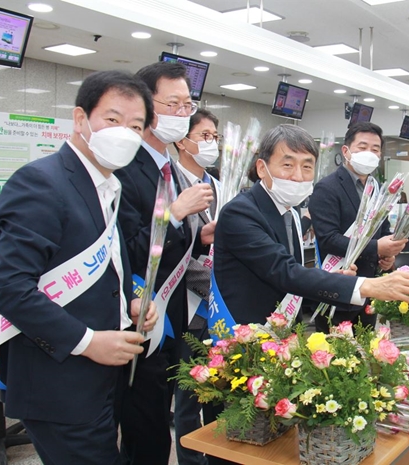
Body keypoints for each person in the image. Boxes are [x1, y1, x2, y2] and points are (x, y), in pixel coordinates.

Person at [0, 70, 158, 465]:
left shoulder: (107, 186)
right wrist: (88, 341)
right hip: (59, 382)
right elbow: (11, 288)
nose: (124, 134)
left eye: (136, 126)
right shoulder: (42, 182)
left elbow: (102, 267)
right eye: (112, 120)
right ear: (81, 120)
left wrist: (129, 303)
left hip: (101, 380)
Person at [213, 124, 409, 326]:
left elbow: (294, 275)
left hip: (283, 330)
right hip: (242, 331)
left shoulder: (291, 211)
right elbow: (283, 271)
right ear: (262, 168)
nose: (298, 176)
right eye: (287, 165)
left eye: (307, 167)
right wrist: (368, 285)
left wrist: (335, 280)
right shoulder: (240, 212)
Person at [114, 61, 214, 465]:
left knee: (161, 422)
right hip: (139, 314)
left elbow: (174, 249)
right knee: (145, 430)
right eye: (172, 103)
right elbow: (126, 250)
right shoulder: (124, 167)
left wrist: (200, 238)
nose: (182, 113)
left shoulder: (171, 166)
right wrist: (173, 215)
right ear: (146, 106)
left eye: (187, 103)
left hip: (174, 315)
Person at [309, 122, 406, 332]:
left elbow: (382, 230)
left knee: (367, 353)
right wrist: (376, 248)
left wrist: (387, 256)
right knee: (333, 357)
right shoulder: (327, 188)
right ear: (346, 151)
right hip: (337, 285)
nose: (369, 153)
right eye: (362, 147)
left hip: (370, 288)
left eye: (375, 149)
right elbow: (328, 239)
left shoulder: (377, 189)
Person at [172, 108, 226, 465]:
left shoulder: (221, 187)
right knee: (190, 399)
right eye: (204, 136)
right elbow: (165, 247)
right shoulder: (171, 186)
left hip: (220, 311)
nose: (211, 144)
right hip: (187, 308)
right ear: (182, 139)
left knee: (222, 396)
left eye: (214, 137)